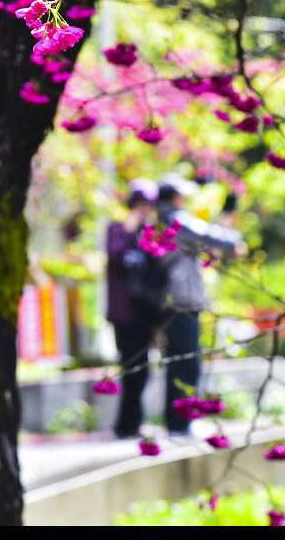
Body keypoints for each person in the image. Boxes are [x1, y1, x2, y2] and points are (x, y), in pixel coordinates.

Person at [157, 172, 245, 436]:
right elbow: (207, 234)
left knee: (179, 361)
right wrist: (234, 241)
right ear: (175, 196)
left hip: (174, 301)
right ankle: (181, 420)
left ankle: (178, 418)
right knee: (187, 362)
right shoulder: (174, 219)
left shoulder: (163, 221)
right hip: (181, 302)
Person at [105, 178, 162, 439]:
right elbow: (116, 257)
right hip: (125, 314)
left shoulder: (149, 234)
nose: (144, 210)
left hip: (146, 312)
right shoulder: (117, 231)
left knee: (144, 369)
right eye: (140, 205)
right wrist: (129, 228)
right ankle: (126, 423)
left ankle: (134, 420)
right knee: (131, 367)